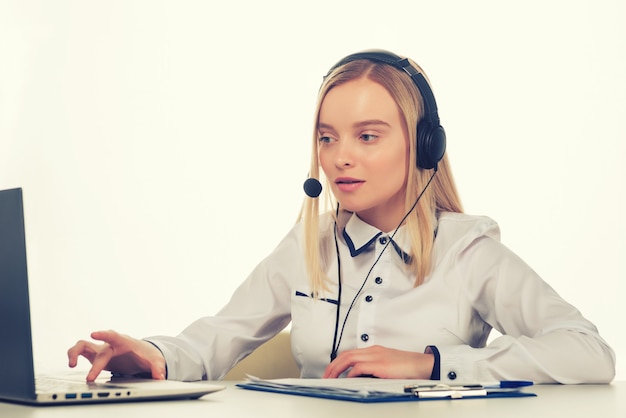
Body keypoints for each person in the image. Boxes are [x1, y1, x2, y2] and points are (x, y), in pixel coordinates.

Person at [67, 49, 616, 384]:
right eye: (327, 138)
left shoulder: (468, 253)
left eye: (367, 136)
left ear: (423, 146)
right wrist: (152, 355)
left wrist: (430, 364)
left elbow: (589, 352)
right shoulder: (310, 242)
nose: (339, 157)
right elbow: (220, 337)